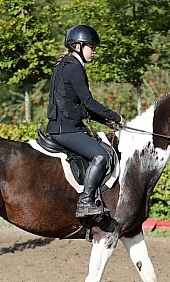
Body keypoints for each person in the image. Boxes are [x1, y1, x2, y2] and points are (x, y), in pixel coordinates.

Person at [46, 24, 122, 218]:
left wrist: (103, 119)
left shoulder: (67, 65)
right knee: (101, 156)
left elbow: (79, 105)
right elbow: (88, 101)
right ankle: (86, 202)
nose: (94, 52)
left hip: (64, 125)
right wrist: (114, 116)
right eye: (91, 47)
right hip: (66, 129)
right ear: (77, 46)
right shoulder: (73, 68)